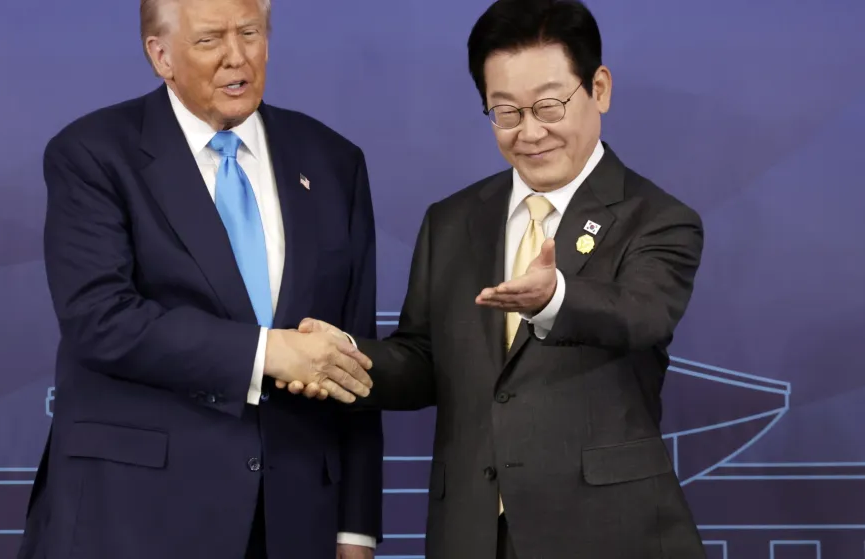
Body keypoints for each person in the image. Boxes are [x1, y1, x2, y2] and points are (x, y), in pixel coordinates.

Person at [283, 0, 708, 557]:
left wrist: (554, 297)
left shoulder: (657, 217)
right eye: (505, 112)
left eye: (548, 106)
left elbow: (639, 313)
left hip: (609, 534)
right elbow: (422, 362)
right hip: (472, 531)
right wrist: (344, 362)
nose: (529, 132)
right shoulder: (453, 220)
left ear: (598, 88)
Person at [16, 0, 383, 558]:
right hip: (134, 516)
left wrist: (355, 526)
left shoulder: (333, 160)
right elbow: (100, 319)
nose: (237, 57)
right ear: (159, 55)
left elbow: (354, 353)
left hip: (293, 518)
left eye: (251, 33)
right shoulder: (93, 154)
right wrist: (267, 354)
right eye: (210, 40)